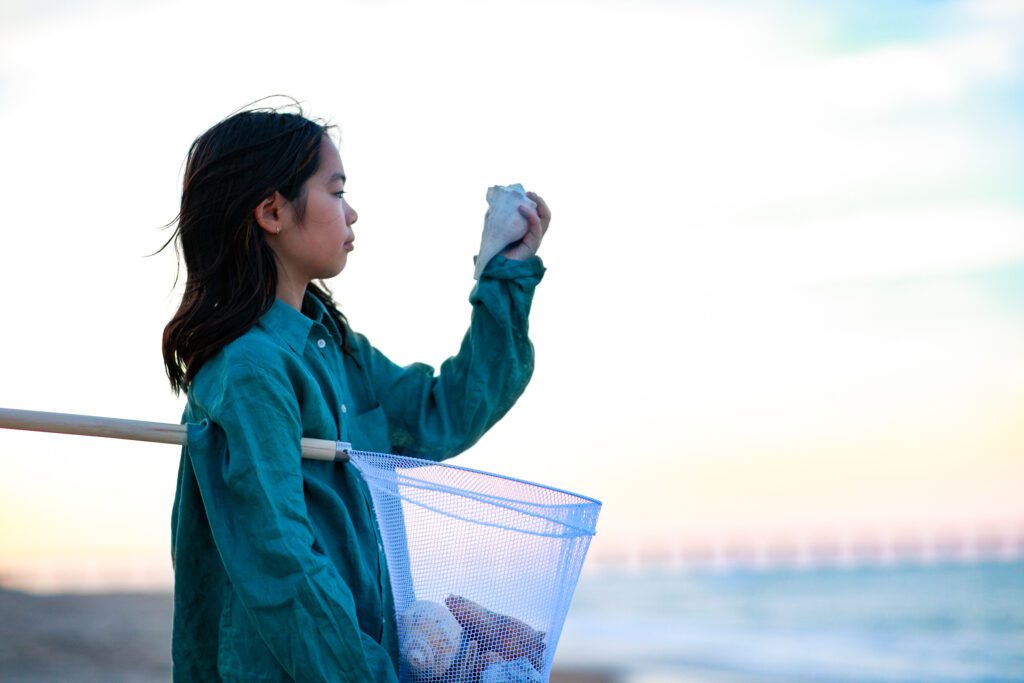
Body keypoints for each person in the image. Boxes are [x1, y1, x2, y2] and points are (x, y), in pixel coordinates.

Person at [160, 102, 550, 682]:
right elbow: (283, 565)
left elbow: (443, 413)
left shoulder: (335, 348)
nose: (353, 212)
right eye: (336, 191)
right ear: (272, 211)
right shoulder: (248, 371)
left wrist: (505, 273)